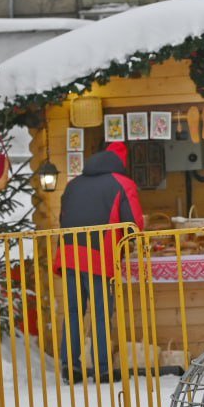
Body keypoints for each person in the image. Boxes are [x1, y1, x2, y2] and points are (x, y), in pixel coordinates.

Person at [54, 141, 143, 383]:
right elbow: (134, 223)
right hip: (99, 257)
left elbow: (63, 219)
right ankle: (103, 368)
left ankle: (69, 367)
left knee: (73, 312)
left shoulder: (72, 184)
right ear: (122, 162)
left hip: (69, 254)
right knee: (101, 314)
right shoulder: (123, 184)